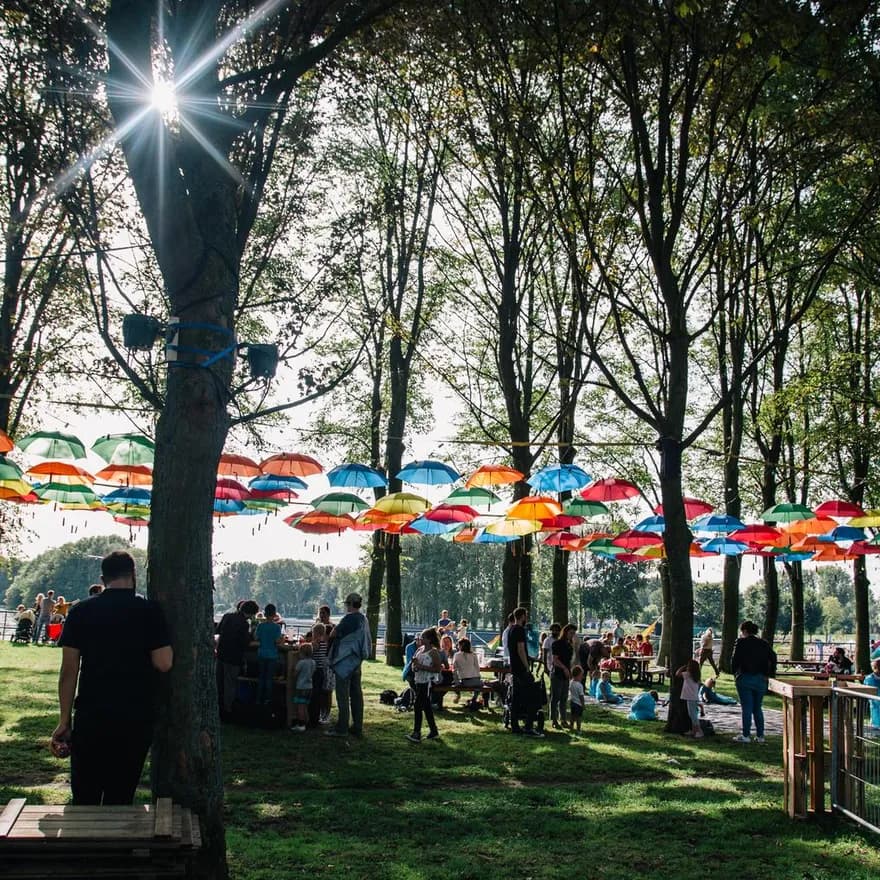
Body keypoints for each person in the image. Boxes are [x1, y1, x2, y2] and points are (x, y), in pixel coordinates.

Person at [52, 550, 172, 805]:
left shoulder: (80, 611)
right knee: (121, 795)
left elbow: (69, 671)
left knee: (85, 797)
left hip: (91, 714)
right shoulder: (149, 611)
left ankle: (84, 844)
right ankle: (116, 845)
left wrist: (64, 721)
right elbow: (164, 663)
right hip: (135, 716)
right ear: (133, 575)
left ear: (103, 578)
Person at [326, 592, 371, 738]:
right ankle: (357, 727)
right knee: (356, 695)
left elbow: (333, 633)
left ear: (350, 604)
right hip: (357, 662)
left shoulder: (349, 619)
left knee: (342, 695)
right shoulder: (364, 619)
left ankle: (342, 727)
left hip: (344, 662)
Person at [730, 620, 776, 743]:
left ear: (744, 631)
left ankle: (746, 735)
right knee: (757, 707)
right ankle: (760, 735)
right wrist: (770, 674)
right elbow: (773, 657)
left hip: (745, 677)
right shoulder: (764, 644)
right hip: (761, 678)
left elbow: (734, 660)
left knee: (747, 707)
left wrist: (734, 673)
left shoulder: (741, 643)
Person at [216, 600, 259, 717]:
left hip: (221, 653)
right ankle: (227, 710)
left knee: (219, 682)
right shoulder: (244, 624)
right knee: (230, 684)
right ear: (251, 613)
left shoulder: (227, 616)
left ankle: (217, 706)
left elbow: (218, 630)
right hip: (234, 657)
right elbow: (245, 643)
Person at [508, 607, 544, 737]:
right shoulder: (520, 630)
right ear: (522, 616)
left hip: (514, 667)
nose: (526, 617)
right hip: (521, 669)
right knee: (534, 697)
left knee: (516, 698)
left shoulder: (511, 630)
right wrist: (527, 667)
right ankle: (529, 727)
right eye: (526, 615)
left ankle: (515, 726)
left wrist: (531, 658)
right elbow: (520, 649)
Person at [407, 628, 442, 742]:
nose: (421, 639)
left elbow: (437, 669)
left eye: (423, 637)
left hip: (427, 683)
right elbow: (415, 665)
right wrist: (414, 665)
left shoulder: (434, 652)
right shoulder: (420, 649)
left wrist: (422, 667)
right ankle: (434, 731)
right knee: (427, 707)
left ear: (430, 639)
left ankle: (416, 733)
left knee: (418, 706)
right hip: (419, 681)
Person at [255, 603, 283, 705]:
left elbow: (256, 638)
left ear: (265, 613)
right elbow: (277, 641)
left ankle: (258, 699)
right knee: (269, 679)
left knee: (261, 677)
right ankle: (267, 699)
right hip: (272, 655)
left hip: (261, 653)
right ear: (274, 614)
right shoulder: (277, 627)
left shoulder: (260, 626)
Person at [550, 623, 575, 729]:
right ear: (565, 632)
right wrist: (564, 668)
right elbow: (555, 660)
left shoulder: (570, 645)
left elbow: (569, 660)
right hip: (557, 673)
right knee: (555, 697)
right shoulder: (557, 644)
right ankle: (554, 720)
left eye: (573, 633)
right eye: (571, 633)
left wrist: (570, 671)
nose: (572, 635)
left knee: (564, 698)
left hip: (566, 674)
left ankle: (563, 719)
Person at [310, 622, 332, 725]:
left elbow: (310, 651)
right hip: (322, 670)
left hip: (316, 670)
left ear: (317, 634)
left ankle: (314, 717)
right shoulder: (325, 644)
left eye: (313, 633)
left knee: (314, 693)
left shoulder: (316, 643)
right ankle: (319, 714)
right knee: (319, 694)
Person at [452, 638, 483, 710]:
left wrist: (457, 681)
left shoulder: (457, 655)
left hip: (466, 681)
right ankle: (474, 699)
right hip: (477, 681)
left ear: (460, 646)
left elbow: (454, 670)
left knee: (454, 683)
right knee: (479, 686)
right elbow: (478, 669)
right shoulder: (474, 655)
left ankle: (458, 696)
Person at [290, 643, 315, 732]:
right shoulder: (313, 662)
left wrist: (292, 670)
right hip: (309, 687)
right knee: (305, 707)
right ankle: (306, 722)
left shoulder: (301, 663)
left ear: (302, 653)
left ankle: (301, 725)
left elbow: (295, 674)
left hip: (301, 687)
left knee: (300, 707)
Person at [676, 659, 703, 737]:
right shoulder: (697, 676)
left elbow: (677, 674)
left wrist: (683, 667)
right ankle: (694, 731)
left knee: (693, 715)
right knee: (692, 714)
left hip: (690, 697)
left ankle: (699, 731)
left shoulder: (687, 674)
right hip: (693, 696)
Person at [863, 659, 880, 729]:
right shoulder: (869, 678)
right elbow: (866, 688)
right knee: (875, 707)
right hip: (874, 697)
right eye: (875, 667)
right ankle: (875, 724)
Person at [569, 665, 586, 732]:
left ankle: (571, 727)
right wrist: (583, 704)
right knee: (579, 717)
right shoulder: (579, 685)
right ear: (578, 675)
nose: (582, 677)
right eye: (581, 675)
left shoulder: (571, 682)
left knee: (572, 716)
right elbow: (581, 696)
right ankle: (578, 729)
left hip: (572, 702)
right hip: (578, 704)